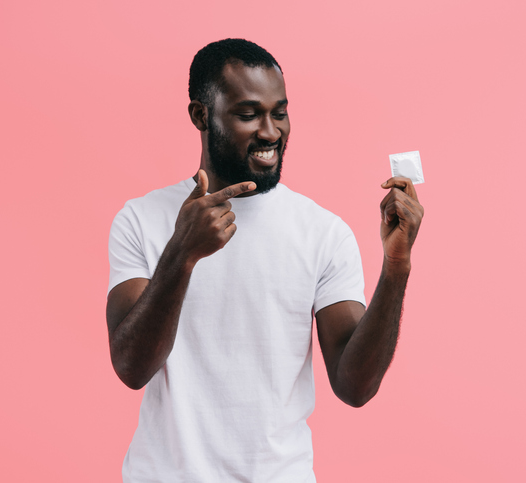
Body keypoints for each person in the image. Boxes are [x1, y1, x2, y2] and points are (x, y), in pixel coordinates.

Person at [106, 38, 424, 483]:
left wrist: (396, 268)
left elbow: (355, 387)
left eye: (280, 112)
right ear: (201, 116)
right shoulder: (141, 219)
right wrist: (181, 255)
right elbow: (131, 368)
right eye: (248, 114)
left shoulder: (323, 233)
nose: (271, 132)